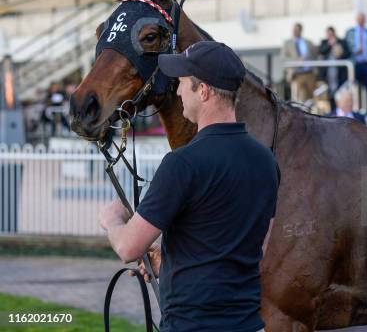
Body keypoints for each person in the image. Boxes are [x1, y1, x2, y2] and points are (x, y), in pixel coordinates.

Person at [98, 41, 279, 332]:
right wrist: (170, 266)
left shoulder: (182, 164)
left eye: (182, 83)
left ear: (204, 91)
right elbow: (253, 252)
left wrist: (112, 220)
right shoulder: (266, 161)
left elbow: (127, 247)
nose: (178, 91)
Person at [346, 13, 367, 118]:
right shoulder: (350, 32)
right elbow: (347, 48)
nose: (361, 21)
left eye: (362, 19)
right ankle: (355, 111)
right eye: (359, 19)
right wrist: (355, 52)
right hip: (355, 65)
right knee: (353, 88)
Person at [282, 23, 317, 103]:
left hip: (309, 73)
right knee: (299, 98)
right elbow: (284, 57)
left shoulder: (308, 42)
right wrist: (296, 60)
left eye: (296, 30)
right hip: (296, 74)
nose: (294, 31)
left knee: (311, 97)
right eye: (293, 30)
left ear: (300, 30)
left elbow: (315, 55)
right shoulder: (287, 43)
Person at [318, 26, 350, 110]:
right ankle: (332, 111)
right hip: (328, 73)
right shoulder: (324, 42)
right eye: (328, 34)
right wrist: (329, 44)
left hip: (339, 73)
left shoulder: (341, 42)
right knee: (329, 94)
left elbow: (347, 53)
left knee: (339, 93)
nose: (330, 36)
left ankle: (339, 109)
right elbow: (321, 51)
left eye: (331, 34)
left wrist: (338, 49)